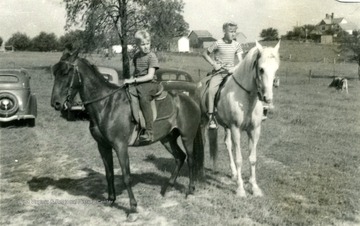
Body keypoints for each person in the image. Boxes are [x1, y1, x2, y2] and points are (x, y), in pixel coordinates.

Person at [203, 22, 243, 129]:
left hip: (232, 73)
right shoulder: (218, 43)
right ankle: (211, 117)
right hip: (219, 73)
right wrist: (213, 64)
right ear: (224, 31)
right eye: (230, 31)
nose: (233, 34)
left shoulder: (237, 45)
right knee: (211, 90)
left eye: (234, 32)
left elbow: (241, 61)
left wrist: (233, 69)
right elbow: (204, 54)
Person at [124, 30, 159, 142]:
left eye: (147, 43)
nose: (146, 47)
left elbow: (149, 76)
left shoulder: (152, 57)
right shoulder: (136, 57)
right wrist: (130, 80)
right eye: (143, 44)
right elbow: (135, 72)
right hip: (139, 82)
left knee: (144, 98)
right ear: (138, 45)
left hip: (150, 84)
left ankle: (149, 132)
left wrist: (134, 80)